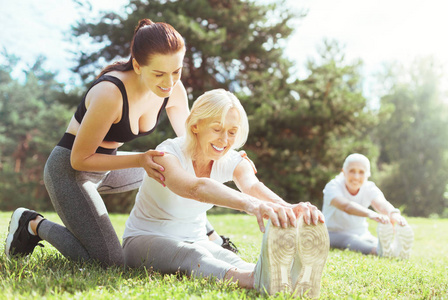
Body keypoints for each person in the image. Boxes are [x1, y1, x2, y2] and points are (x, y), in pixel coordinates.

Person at [4, 19, 234, 266]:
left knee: (170, 165)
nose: (169, 83)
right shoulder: (110, 94)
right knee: (110, 261)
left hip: (109, 167)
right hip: (70, 172)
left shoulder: (173, 91)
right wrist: (139, 160)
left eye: (176, 72)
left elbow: (191, 144)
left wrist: (232, 158)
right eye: (159, 74)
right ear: (137, 65)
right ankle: (32, 224)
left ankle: (210, 236)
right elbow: (79, 159)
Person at [122, 89, 330, 297]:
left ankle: (286, 277)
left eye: (232, 132)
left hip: (196, 238)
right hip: (143, 239)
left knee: (231, 259)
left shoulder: (230, 158)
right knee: (194, 255)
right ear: (195, 125)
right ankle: (254, 281)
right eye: (217, 129)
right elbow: (195, 188)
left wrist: (289, 208)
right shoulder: (166, 155)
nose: (224, 140)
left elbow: (252, 186)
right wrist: (252, 205)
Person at [322, 153, 414, 258]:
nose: (356, 177)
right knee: (352, 240)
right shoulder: (332, 186)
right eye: (352, 171)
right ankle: (379, 252)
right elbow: (346, 206)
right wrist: (371, 214)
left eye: (361, 172)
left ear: (368, 174)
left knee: (373, 241)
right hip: (332, 233)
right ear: (343, 172)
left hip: (362, 233)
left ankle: (395, 250)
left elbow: (381, 203)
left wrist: (393, 213)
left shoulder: (369, 187)